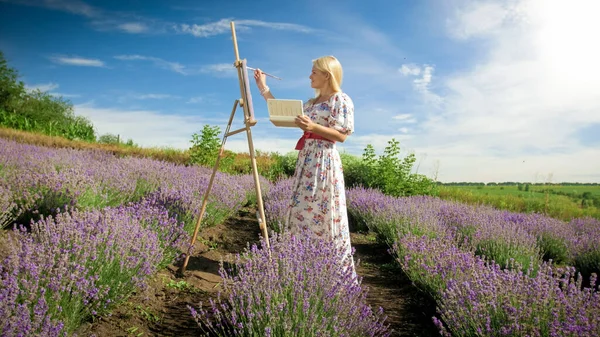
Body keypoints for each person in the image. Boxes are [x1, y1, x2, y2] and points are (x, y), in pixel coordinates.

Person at [253, 55, 356, 279]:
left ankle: (331, 272)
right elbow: (281, 112)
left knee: (325, 209)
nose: (310, 76)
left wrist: (314, 126)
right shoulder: (311, 104)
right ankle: (302, 269)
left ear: (327, 75)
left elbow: (342, 135)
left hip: (324, 160)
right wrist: (263, 87)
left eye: (314, 72)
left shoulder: (340, 100)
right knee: (302, 211)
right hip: (307, 160)